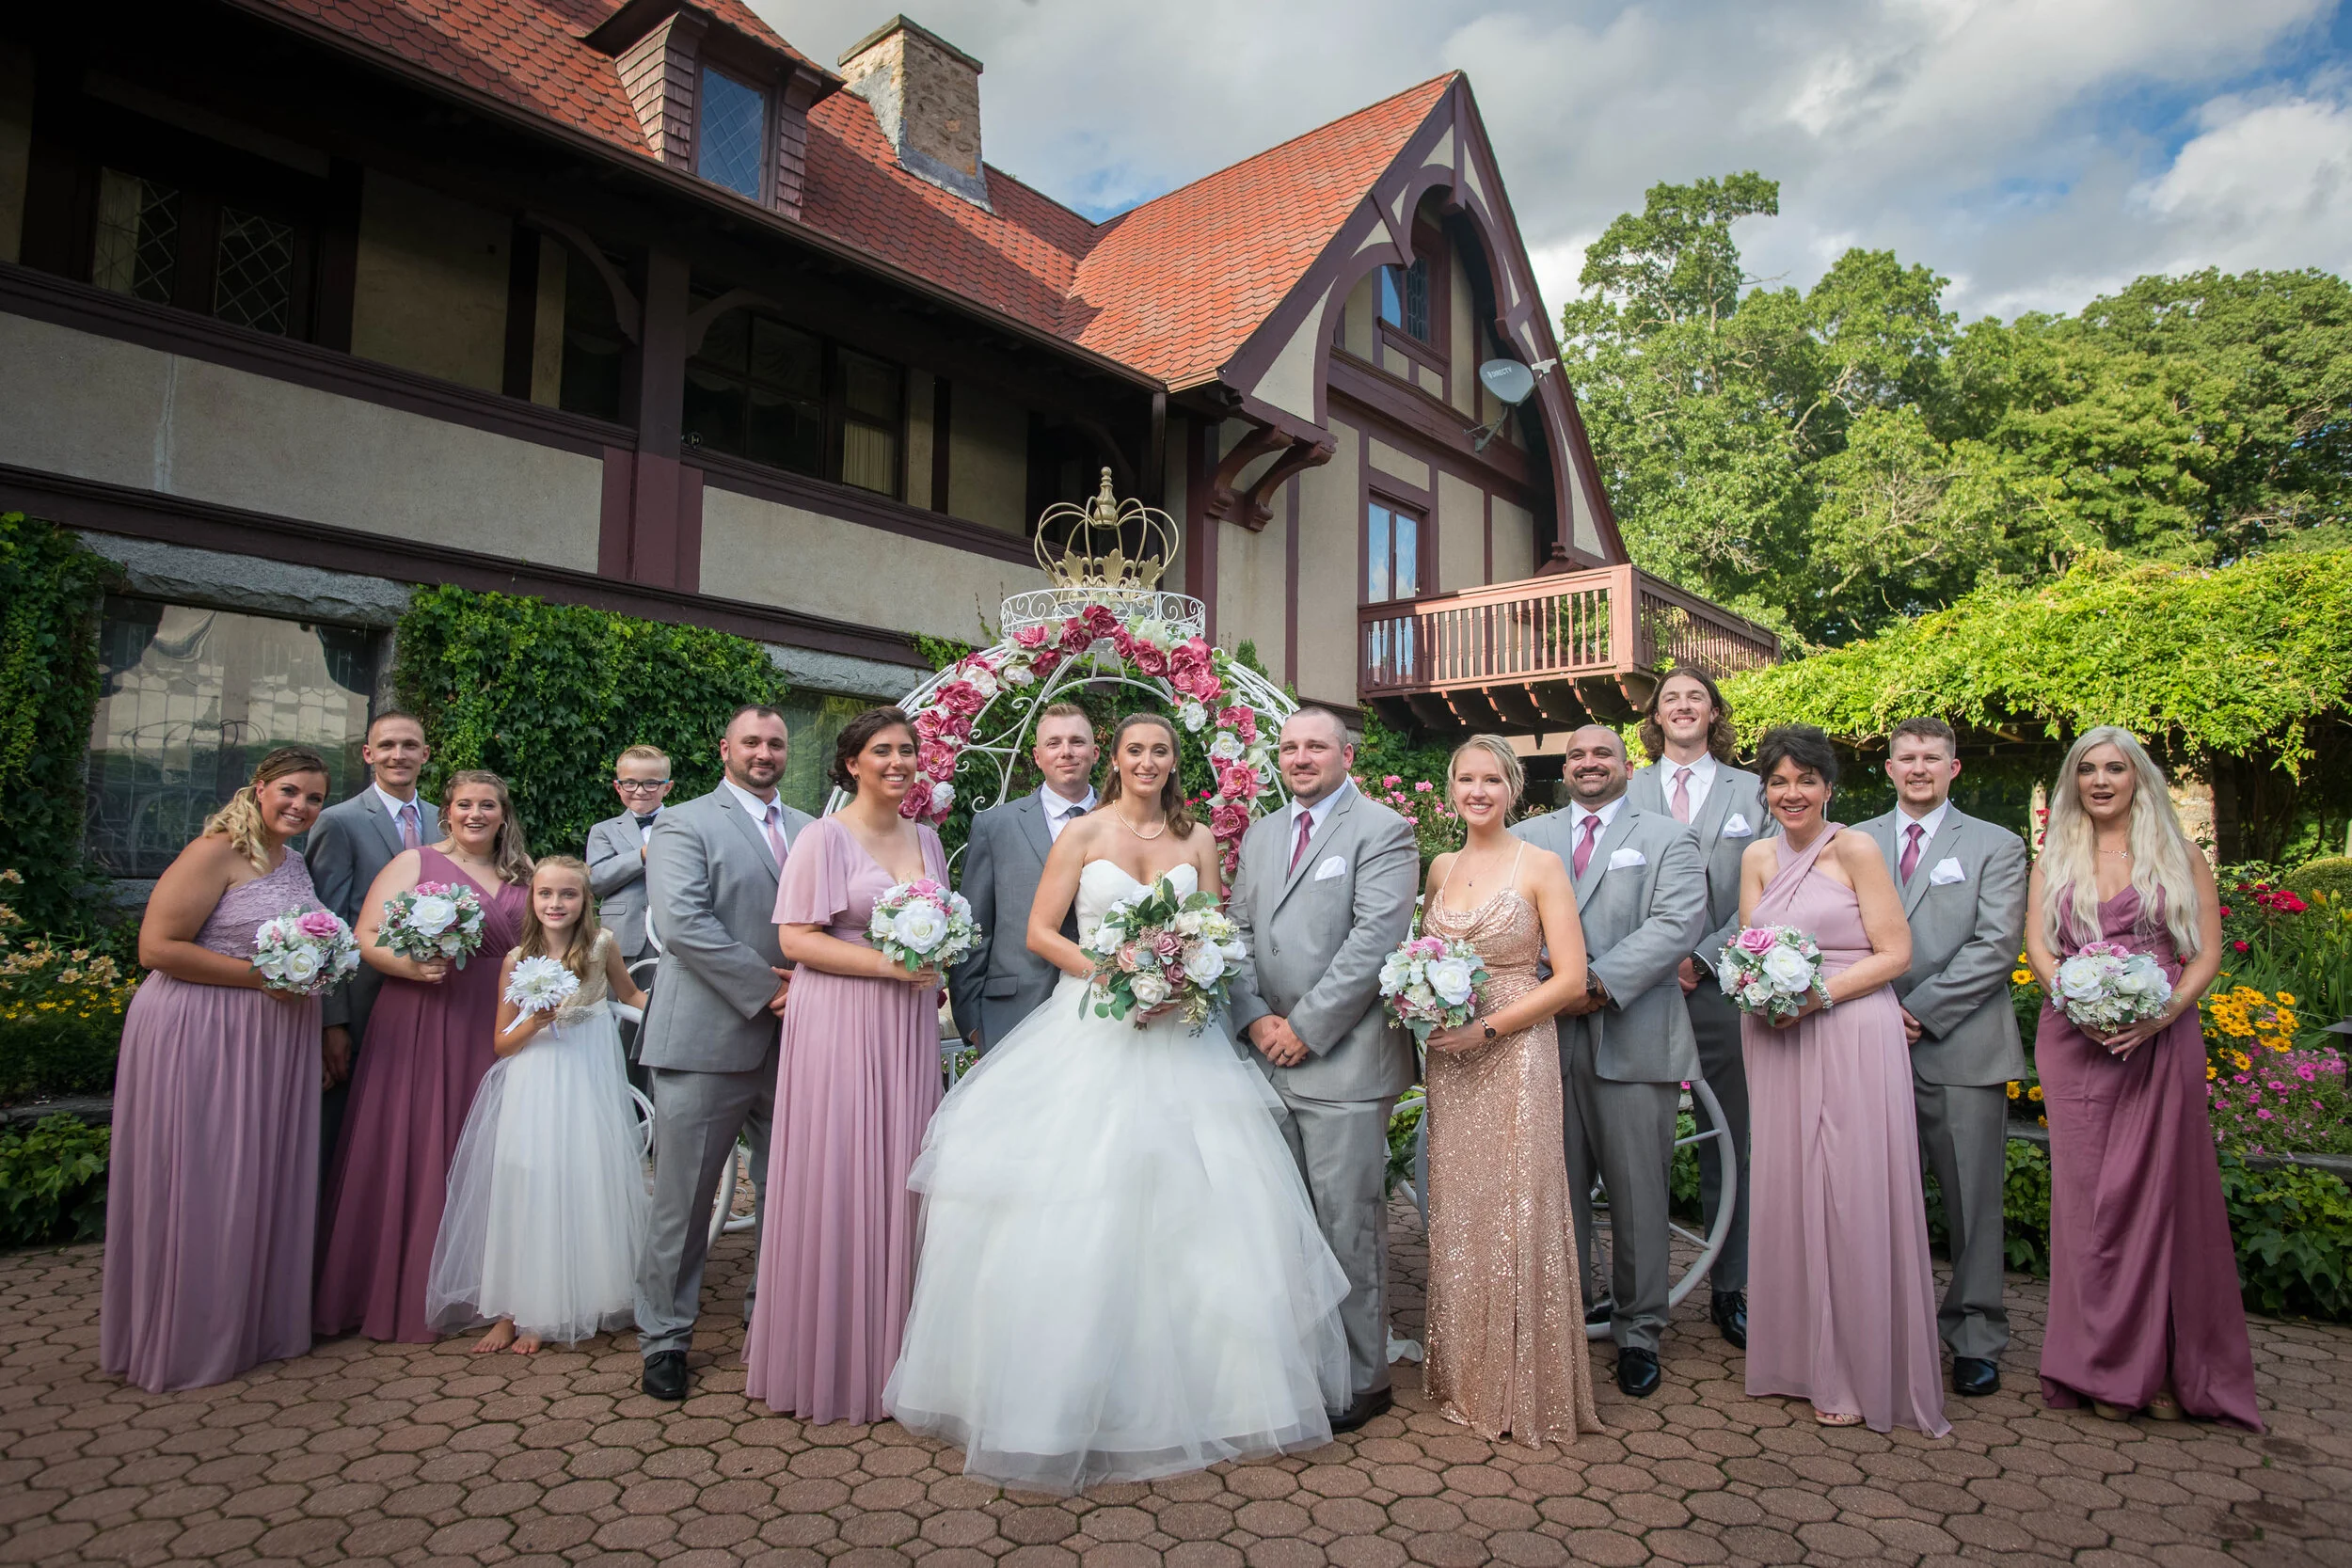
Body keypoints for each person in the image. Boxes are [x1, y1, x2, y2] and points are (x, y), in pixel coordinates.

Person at [887, 712, 1349, 1492]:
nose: (1147, 760)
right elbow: (1039, 930)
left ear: (1175, 761)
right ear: (1118, 759)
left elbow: (1214, 933)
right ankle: (1060, 1398)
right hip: (1091, 1027)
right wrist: (1113, 975)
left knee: (1203, 1208)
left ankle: (1219, 1394)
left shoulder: (1199, 838)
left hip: (1180, 1039)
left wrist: (1184, 978)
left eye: (1160, 750)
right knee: (1081, 1201)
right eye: (1135, 749)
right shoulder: (1084, 835)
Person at [2026, 726, 2259, 1429]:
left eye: (2115, 769)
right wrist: (2073, 997)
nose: (2100, 780)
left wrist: (2158, 1017)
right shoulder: (2055, 856)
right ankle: (2095, 1365)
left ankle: (2158, 1366)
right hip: (2074, 1043)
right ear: (2074, 781)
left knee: (2161, 1202)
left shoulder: (2179, 855)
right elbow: (2037, 943)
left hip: (2160, 1042)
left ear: (2138, 778)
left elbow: (2206, 953)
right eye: (2087, 769)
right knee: (2088, 1209)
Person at [1737, 726, 1947, 1434]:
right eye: (1778, 781)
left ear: (1829, 787)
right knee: (1789, 1188)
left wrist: (1818, 995)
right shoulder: (1756, 856)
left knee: (1851, 1191)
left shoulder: (1855, 848)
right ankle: (1799, 1357)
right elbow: (1749, 951)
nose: (1791, 793)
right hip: (1778, 1037)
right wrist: (1764, 993)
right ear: (1764, 790)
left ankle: (1858, 1366)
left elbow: (1896, 952)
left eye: (1805, 780)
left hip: (1852, 1027)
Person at [103, 748, 334, 1393]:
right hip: (202, 1030)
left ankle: (248, 1324)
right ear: (257, 789)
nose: (301, 806)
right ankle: (185, 1335)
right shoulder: (214, 850)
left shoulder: (291, 860)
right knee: (205, 1175)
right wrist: (262, 977)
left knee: (256, 1175)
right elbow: (156, 947)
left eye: (314, 798)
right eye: (290, 791)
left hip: (270, 1035)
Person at [744, 707, 947, 1423]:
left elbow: (940, 930)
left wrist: (933, 967)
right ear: (852, 762)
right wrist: (891, 965)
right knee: (839, 1169)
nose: (898, 761)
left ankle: (899, 1358)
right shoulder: (821, 837)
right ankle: (830, 1361)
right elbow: (797, 939)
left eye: (908, 751)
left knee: (901, 1174)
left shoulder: (928, 837)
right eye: (883, 750)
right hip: (837, 1020)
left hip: (907, 1027)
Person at [1226, 707, 1420, 1433]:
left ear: (1346, 754)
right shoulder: (1264, 831)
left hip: (1341, 1061)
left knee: (1348, 1225)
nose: (1300, 757)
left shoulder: (1384, 830)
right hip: (1262, 1054)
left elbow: (1375, 940)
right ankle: (1301, 1365)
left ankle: (1363, 1378)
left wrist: (1305, 1028)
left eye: (1316, 745)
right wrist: (1252, 1016)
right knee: (1281, 1226)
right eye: (1289, 747)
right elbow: (1238, 930)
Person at [1512, 726, 1707, 1399]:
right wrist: (1545, 986)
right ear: (1562, 768)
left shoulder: (1668, 838)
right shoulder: (1530, 837)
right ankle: (1562, 1322)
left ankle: (1639, 1330)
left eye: (1602, 754)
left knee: (1637, 1194)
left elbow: (1678, 921)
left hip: (1633, 1032)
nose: (1588, 764)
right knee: (1554, 1191)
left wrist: (1593, 983)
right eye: (1576, 755)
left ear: (1629, 765)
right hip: (1543, 1039)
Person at [1417, 735, 1599, 1446]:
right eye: (1466, 778)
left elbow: (1571, 979)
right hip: (1450, 1060)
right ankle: (1465, 1370)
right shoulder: (1439, 865)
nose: (1478, 791)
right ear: (1452, 787)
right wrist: (1426, 1002)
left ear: (1514, 788)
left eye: (1492, 779)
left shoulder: (1541, 864)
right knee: (1460, 1211)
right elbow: (1424, 954)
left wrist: (1487, 1030)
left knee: (1517, 1207)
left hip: (1514, 1050)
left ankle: (1523, 1382)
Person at [315, 770, 533, 1343]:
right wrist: (410, 965)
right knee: (420, 1140)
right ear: (448, 812)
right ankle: (410, 1285)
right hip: (425, 1016)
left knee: (493, 1148)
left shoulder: (525, 874)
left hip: (498, 1024)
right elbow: (364, 934)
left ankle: (493, 1286)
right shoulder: (413, 864)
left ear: (503, 813)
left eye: (488, 805)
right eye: (465, 804)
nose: (476, 814)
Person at [635, 705, 811, 1402]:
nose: (764, 752)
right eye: (752, 742)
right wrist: (763, 990)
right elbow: (682, 922)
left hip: (799, 1037)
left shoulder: (807, 828)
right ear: (725, 748)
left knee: (785, 1188)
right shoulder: (683, 821)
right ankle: (666, 1336)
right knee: (685, 1195)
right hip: (709, 1034)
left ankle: (768, 1313)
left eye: (775, 741)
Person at [1853, 718, 2029, 1400]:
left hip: (1961, 1048)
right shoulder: (1853, 840)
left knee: (1971, 1201)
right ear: (1889, 769)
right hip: (1865, 1043)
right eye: (1907, 757)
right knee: (1872, 1197)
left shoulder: (1996, 843)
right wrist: (1871, 1010)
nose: (1919, 767)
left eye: (1932, 757)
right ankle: (1883, 1332)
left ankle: (1975, 1334)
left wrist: (1917, 1010)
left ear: (1954, 769)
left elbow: (1995, 944)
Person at [425, 856, 649, 1354]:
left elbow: (631, 993)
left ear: (585, 901)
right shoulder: (515, 959)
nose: (556, 903)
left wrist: (675, 1010)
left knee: (579, 1177)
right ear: (532, 899)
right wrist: (536, 1020)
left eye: (567, 894)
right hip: (534, 1078)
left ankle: (556, 1305)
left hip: (586, 1076)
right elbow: (502, 1045)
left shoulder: (601, 945)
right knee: (524, 1181)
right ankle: (510, 1309)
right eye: (546, 894)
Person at [1626, 669, 1764, 1351]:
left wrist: (1701, 958)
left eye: (1695, 698)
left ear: (1714, 713)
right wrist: (1649, 962)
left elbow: (1770, 892)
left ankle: (1731, 1286)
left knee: (1732, 1139)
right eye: (1670, 698)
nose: (1682, 707)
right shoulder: (1626, 790)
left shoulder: (1756, 792)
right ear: (1655, 715)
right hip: (1639, 992)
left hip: (1721, 988)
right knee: (1632, 1138)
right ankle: (1634, 1286)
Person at [306, 711, 437, 1169]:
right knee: (343, 1134)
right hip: (361, 1004)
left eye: (408, 745)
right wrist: (331, 1022)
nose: (397, 755)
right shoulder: (338, 822)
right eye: (386, 746)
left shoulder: (449, 821)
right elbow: (324, 927)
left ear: (425, 754)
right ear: (368, 755)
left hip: (431, 1004)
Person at [948, 702, 1099, 1053]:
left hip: (1105, 1012)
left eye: (1077, 742)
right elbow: (974, 930)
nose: (1066, 752)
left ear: (1094, 753)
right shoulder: (995, 826)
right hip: (1014, 1013)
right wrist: (972, 1022)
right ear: (1036, 756)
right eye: (1054, 743)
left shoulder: (1124, 823)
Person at [586, 744, 674, 978]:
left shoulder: (684, 825)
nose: (640, 790)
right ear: (618, 786)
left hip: (672, 934)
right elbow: (597, 880)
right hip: (622, 937)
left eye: (651, 783)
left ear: (667, 787)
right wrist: (642, 855)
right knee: (622, 1004)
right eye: (630, 783)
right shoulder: (603, 831)